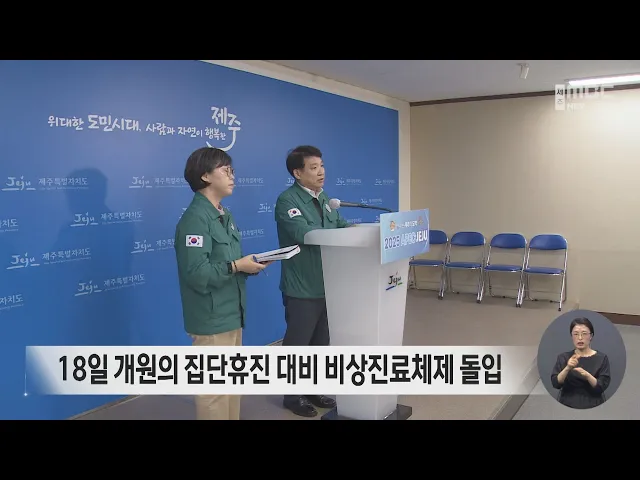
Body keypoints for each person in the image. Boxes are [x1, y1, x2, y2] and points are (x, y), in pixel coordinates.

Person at [174, 146, 271, 420]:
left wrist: (248, 266)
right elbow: (196, 273)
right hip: (211, 317)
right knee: (214, 391)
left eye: (232, 171)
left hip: (231, 313)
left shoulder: (223, 215)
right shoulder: (195, 220)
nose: (232, 176)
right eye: (226, 171)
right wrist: (237, 266)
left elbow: (227, 263)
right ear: (205, 176)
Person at [274, 145, 351, 417]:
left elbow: (339, 225)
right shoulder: (287, 201)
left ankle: (313, 389)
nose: (321, 172)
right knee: (298, 344)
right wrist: (341, 235)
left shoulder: (326, 198)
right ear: (297, 173)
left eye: (322, 166)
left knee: (320, 343)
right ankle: (292, 396)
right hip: (302, 286)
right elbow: (305, 234)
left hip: (327, 283)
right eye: (314, 167)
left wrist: (358, 231)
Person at [550, 317, 611, 409]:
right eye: (576, 334)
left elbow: (601, 386)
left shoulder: (602, 358)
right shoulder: (563, 357)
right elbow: (555, 383)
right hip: (567, 403)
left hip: (593, 403)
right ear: (571, 336)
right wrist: (567, 368)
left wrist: (587, 375)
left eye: (584, 334)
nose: (580, 338)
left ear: (591, 336)